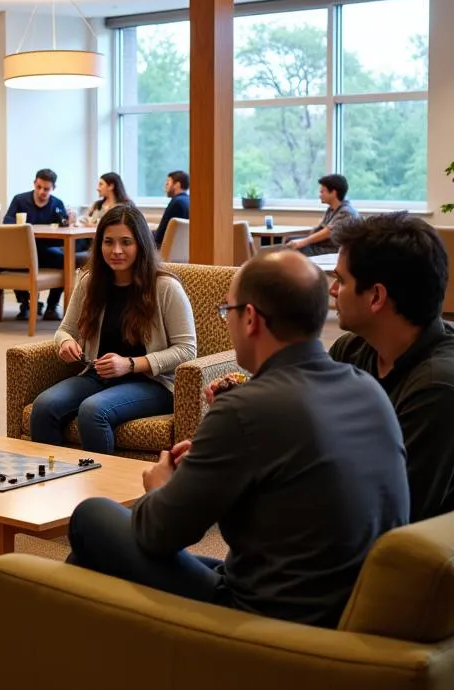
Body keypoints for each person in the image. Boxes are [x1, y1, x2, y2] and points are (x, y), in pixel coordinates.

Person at [67, 249, 409, 629]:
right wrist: (211, 459)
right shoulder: (368, 389)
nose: (227, 321)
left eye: (226, 311)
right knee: (96, 557)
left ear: (250, 319)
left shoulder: (246, 408)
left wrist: (159, 488)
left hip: (265, 618)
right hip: (343, 608)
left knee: (91, 518)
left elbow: (157, 535)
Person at [30, 204, 196, 453]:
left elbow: (187, 350)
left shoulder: (165, 287)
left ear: (140, 244)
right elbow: (65, 330)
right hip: (99, 375)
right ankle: (53, 485)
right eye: (108, 242)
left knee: (94, 411)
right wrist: (65, 342)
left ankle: (102, 490)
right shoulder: (90, 282)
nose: (116, 250)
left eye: (126, 242)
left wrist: (130, 364)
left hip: (153, 383)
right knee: (44, 407)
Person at [329, 212, 454, 522]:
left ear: (376, 297)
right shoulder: (351, 350)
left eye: (341, 280)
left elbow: (395, 512)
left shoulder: (437, 388)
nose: (332, 290)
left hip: (403, 560)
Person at [2, 168, 67, 321]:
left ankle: (52, 307)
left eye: (46, 189)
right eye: (38, 187)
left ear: (53, 188)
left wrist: (67, 220)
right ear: (34, 183)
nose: (41, 192)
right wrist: (24, 226)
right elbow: (7, 220)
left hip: (46, 250)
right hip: (23, 250)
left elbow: (64, 226)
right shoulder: (20, 199)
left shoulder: (57, 203)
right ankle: (26, 303)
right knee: (10, 261)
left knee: (66, 262)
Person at [287, 174, 358, 256]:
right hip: (322, 245)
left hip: (334, 250)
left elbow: (328, 233)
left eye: (322, 192)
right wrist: (300, 239)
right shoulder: (331, 209)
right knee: (290, 240)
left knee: (297, 249)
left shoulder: (346, 212)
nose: (320, 195)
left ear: (333, 193)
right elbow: (320, 228)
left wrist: (300, 243)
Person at [152, 170, 190, 248]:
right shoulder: (188, 201)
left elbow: (159, 236)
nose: (165, 186)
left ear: (177, 185)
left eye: (167, 183)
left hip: (161, 248)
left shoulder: (176, 203)